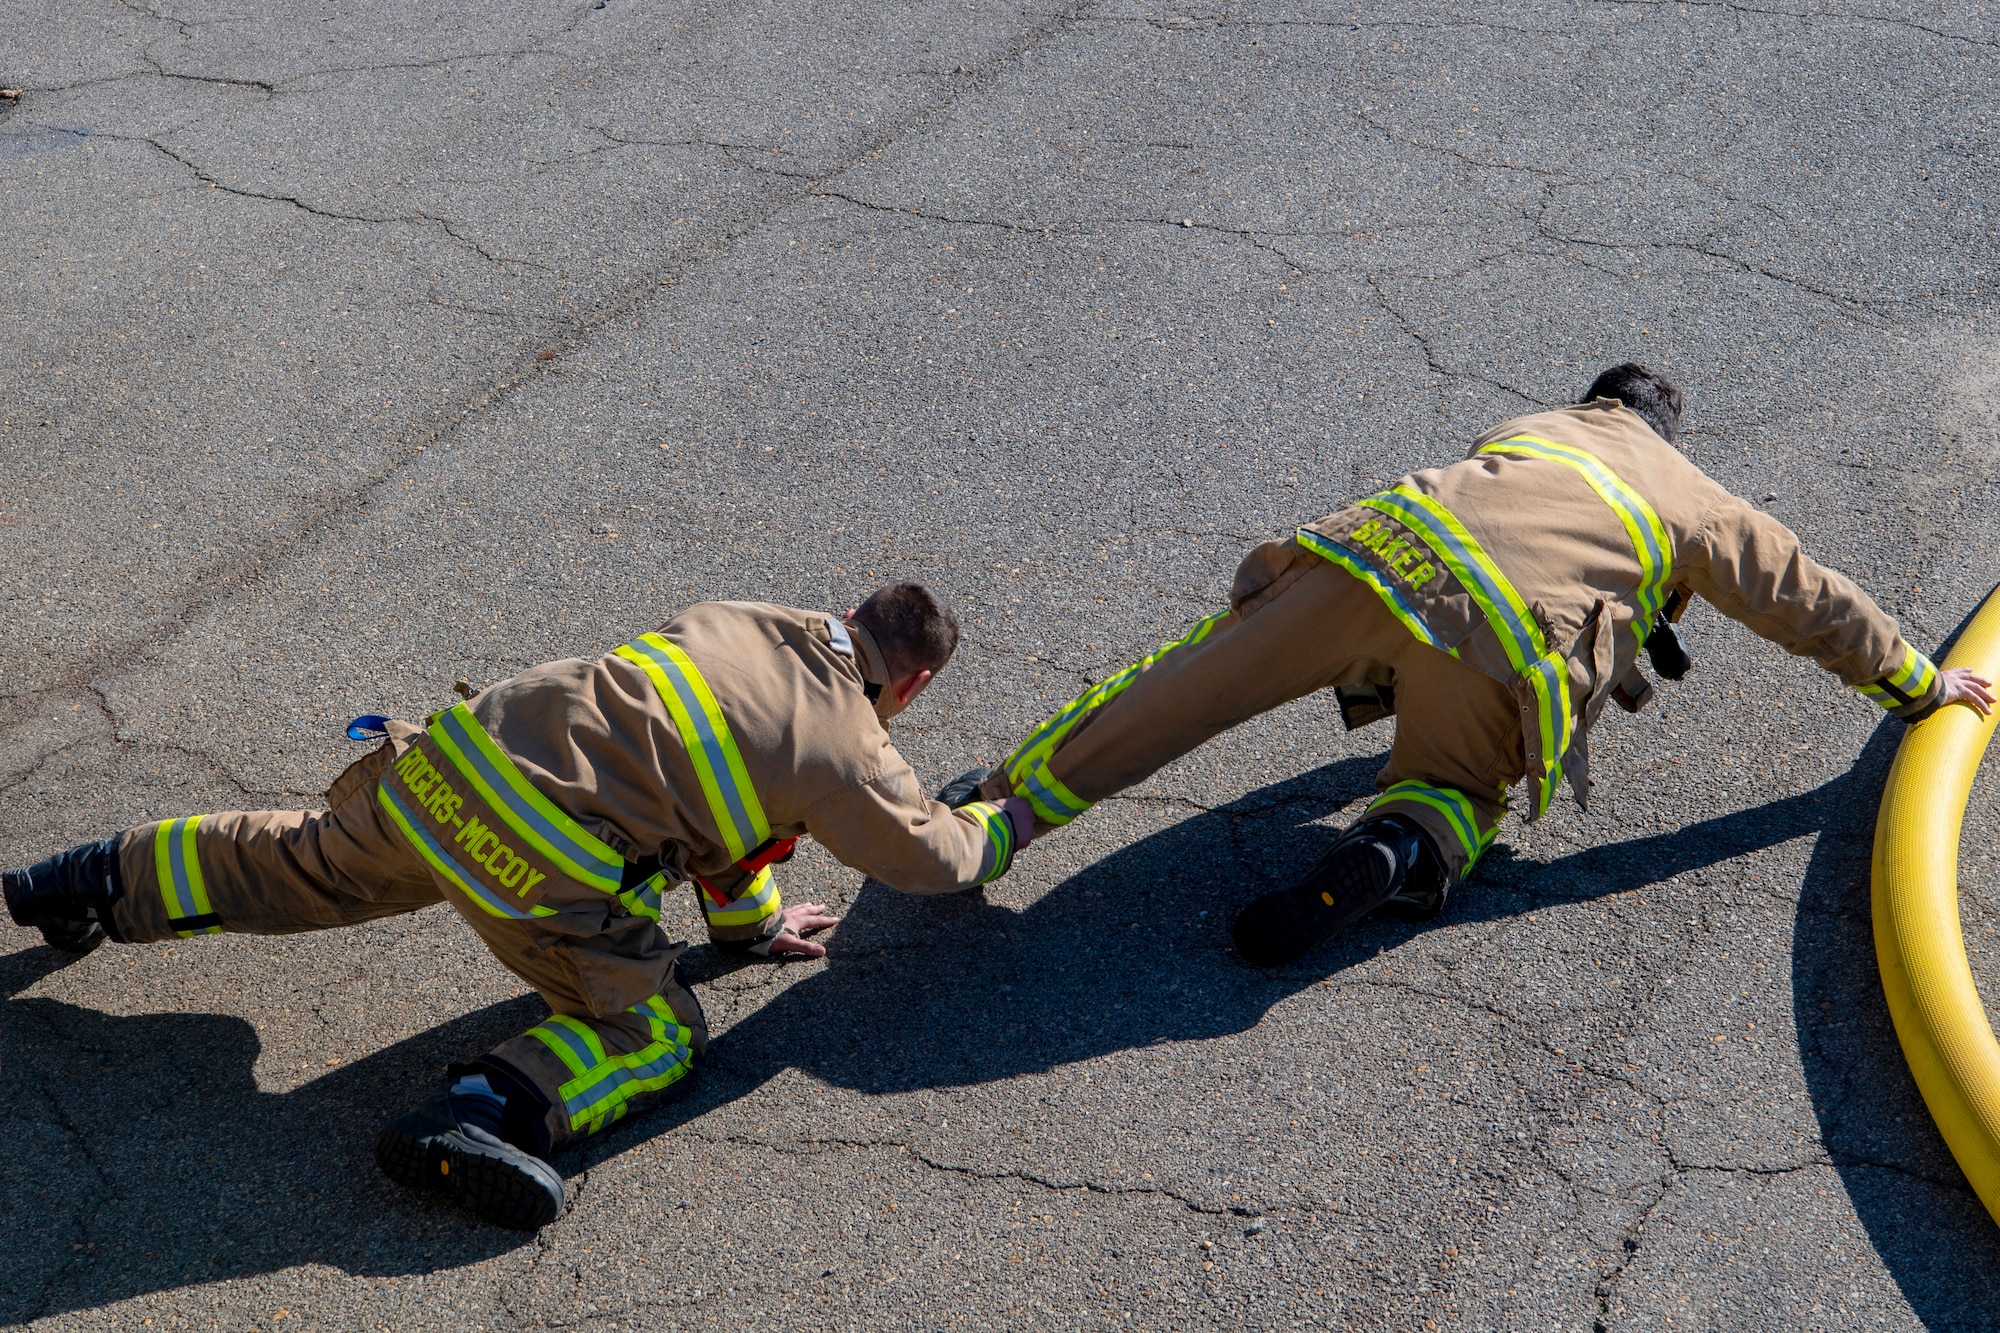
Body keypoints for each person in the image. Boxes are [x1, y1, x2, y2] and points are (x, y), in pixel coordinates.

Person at [4, 584, 1033, 1230]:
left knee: (302, 862)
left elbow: (721, 802)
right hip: (539, 856)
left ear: (850, 613)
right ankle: (481, 1115)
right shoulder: (848, 747)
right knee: (655, 1027)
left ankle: (88, 878)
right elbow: (934, 861)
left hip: (448, 765)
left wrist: (748, 925)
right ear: (917, 679)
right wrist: (1001, 817)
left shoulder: (742, 616)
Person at [946, 365, 1993, 968]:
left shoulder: (1534, 425)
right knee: (1453, 784)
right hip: (1509, 635)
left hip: (1382, 553)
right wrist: (1916, 682)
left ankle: (998, 815)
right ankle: (1401, 848)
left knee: (1184, 683)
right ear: (1667, 432)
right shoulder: (1693, 500)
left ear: (1594, 402)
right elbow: (1806, 597)